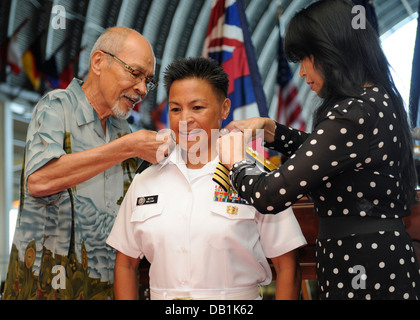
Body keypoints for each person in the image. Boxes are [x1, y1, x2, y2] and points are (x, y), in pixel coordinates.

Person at [218, 0, 420, 300]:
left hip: (360, 261)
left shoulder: (354, 112)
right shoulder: (375, 99)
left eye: (305, 58)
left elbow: (270, 194)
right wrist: (272, 131)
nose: (301, 72)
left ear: (331, 51)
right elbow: (328, 157)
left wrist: (235, 163)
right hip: (371, 255)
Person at [106, 57, 307, 300]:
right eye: (176, 109)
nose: (185, 120)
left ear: (224, 108)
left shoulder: (255, 178)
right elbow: (126, 264)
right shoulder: (146, 179)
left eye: (197, 108)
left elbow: (288, 267)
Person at [2, 27, 168, 300]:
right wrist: (127, 148)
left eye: (148, 81)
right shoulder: (56, 107)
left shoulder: (123, 132)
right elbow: (40, 179)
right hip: (44, 292)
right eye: (135, 73)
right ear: (99, 62)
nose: (141, 89)